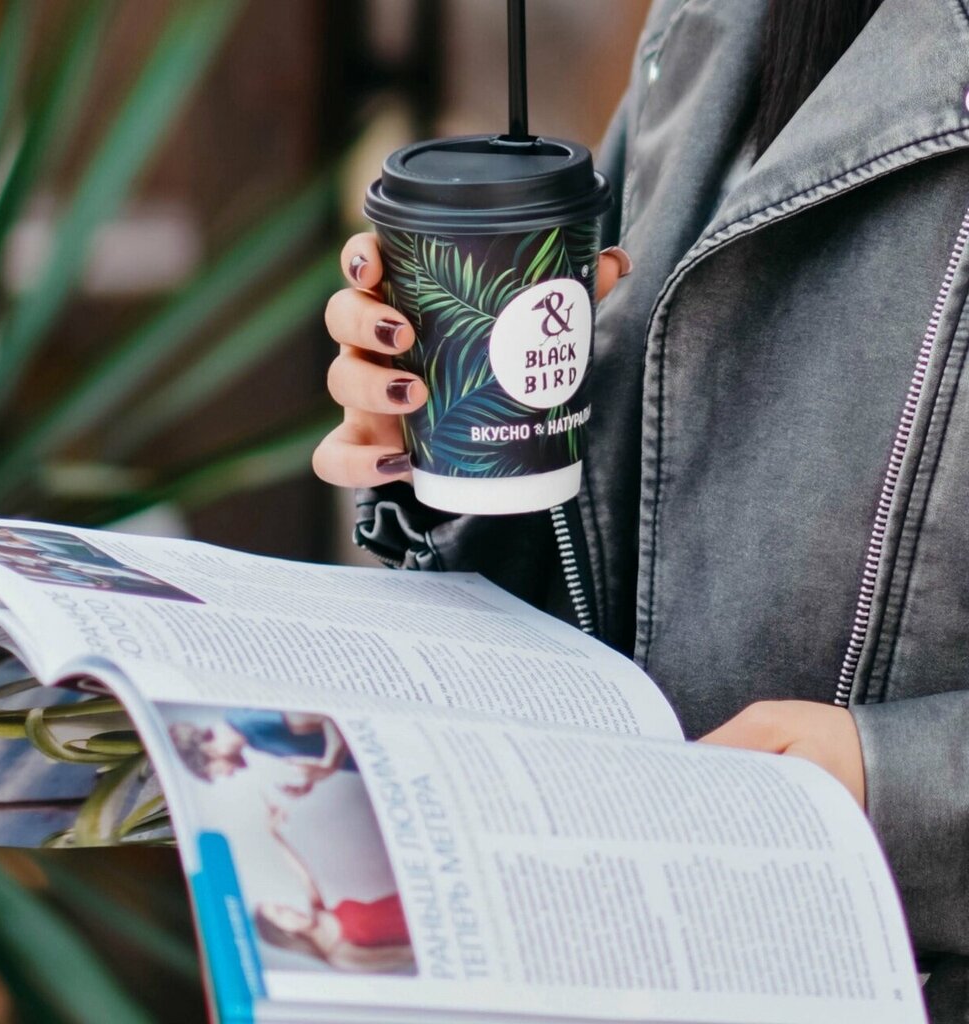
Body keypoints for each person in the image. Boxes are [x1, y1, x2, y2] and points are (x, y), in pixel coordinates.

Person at [313, 0, 969, 1018]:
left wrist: (897, 789)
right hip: (637, 955)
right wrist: (431, 446)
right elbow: (617, 548)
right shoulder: (713, 31)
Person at [255, 801, 413, 973]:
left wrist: (273, 834)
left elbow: (304, 876)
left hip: (412, 897)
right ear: (284, 934)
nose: (289, 908)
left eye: (282, 906)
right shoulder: (339, 956)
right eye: (280, 912)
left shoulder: (319, 914)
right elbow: (402, 955)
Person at [168, 711, 356, 795]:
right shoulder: (251, 738)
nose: (228, 774)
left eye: (217, 771)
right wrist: (312, 778)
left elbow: (330, 717)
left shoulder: (250, 722)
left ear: (207, 749)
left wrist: (329, 764)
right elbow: (318, 736)